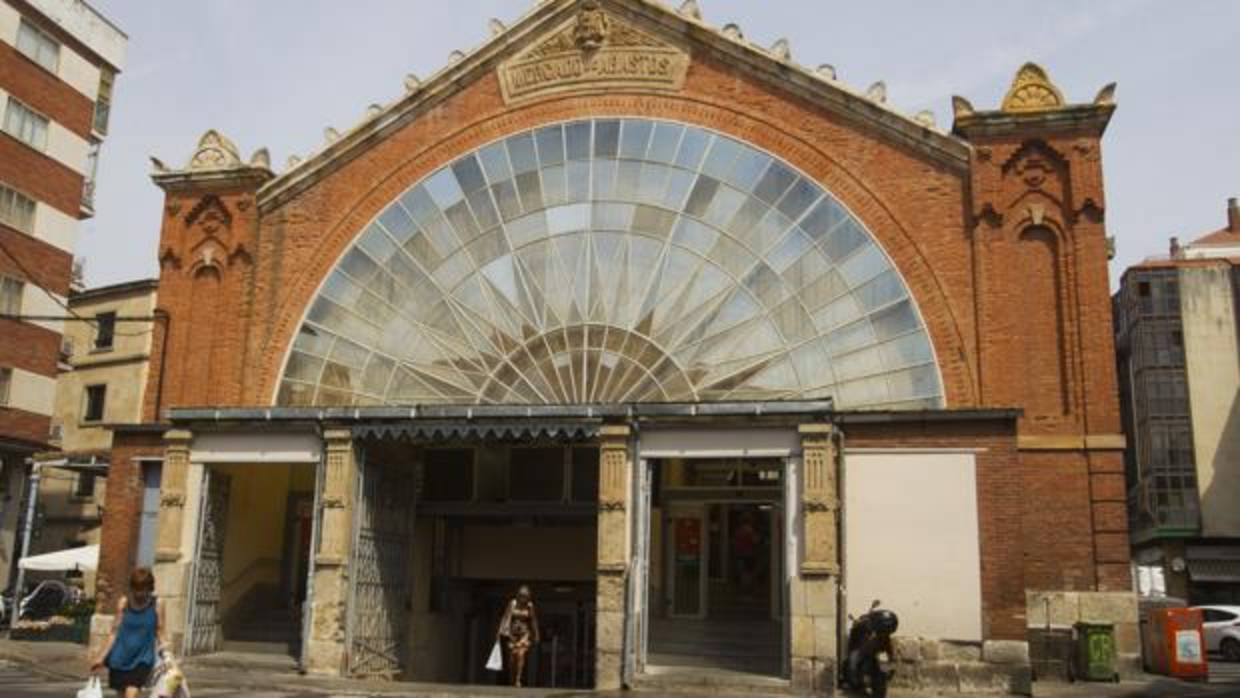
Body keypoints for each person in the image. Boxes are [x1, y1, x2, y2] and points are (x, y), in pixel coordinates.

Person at [91, 567, 167, 698]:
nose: (139, 593)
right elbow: (114, 633)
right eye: (137, 589)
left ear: (150, 588)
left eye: (143, 589)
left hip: (142, 659)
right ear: (132, 588)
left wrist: (168, 656)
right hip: (120, 658)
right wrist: (101, 656)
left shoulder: (157, 604)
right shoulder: (124, 603)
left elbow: (160, 632)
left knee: (131, 694)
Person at [496, 585, 540, 687]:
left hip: (524, 634)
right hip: (512, 634)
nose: (523, 598)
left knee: (521, 655)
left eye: (525, 596)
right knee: (512, 658)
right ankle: (512, 676)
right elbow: (505, 617)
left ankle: (518, 679)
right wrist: (500, 631)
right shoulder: (512, 604)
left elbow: (533, 620)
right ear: (518, 595)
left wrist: (536, 634)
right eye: (521, 595)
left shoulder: (530, 606)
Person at [733, 512, 761, 594]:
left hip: (740, 554)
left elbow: (735, 542)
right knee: (748, 572)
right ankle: (747, 589)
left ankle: (744, 588)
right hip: (749, 554)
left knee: (743, 572)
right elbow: (756, 540)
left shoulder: (738, 531)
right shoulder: (750, 530)